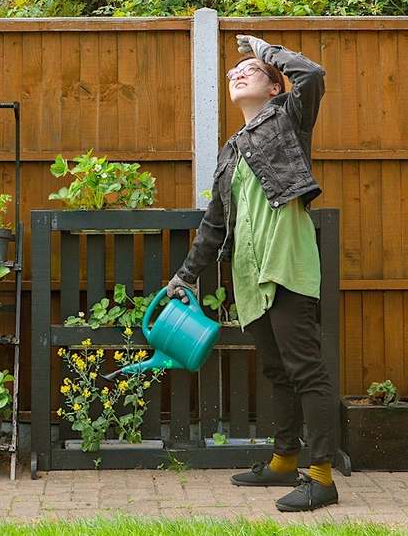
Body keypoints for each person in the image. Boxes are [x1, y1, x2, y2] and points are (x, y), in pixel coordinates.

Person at [166, 34, 336, 512]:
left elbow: (313, 75)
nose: (237, 73)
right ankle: (284, 460)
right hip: (248, 273)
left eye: (251, 70)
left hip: (286, 261)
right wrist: (184, 276)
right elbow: (214, 224)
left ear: (275, 87)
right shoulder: (230, 152)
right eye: (232, 73)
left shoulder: (289, 120)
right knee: (277, 371)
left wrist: (266, 50)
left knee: (306, 370)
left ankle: (321, 477)